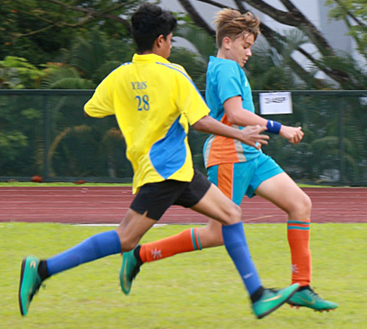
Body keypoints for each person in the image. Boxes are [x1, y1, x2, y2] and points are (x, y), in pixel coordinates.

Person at [18, 3, 299, 320]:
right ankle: (41, 268)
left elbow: (91, 109)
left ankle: (258, 295)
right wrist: (241, 135)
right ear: (162, 40)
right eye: (171, 39)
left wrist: (136, 107)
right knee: (125, 238)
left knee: (231, 214)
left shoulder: (120, 76)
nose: (170, 45)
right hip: (165, 173)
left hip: (176, 171)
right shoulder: (173, 74)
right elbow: (201, 121)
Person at [119, 8, 337, 312]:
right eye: (245, 46)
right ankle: (140, 254)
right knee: (217, 233)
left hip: (251, 154)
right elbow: (235, 115)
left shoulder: (230, 68)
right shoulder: (224, 69)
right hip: (229, 155)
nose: (249, 53)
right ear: (227, 42)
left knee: (300, 205)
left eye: (250, 47)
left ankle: (301, 286)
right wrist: (281, 128)